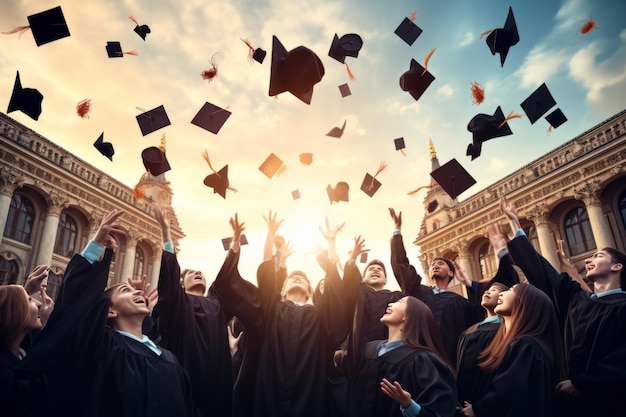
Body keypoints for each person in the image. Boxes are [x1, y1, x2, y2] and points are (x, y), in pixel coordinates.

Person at [20, 208, 198, 417]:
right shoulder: (97, 345)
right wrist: (95, 249)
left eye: (136, 291)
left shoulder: (169, 358)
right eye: (126, 290)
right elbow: (76, 305)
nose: (137, 292)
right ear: (109, 311)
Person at [213, 211, 356, 417]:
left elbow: (336, 290)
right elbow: (266, 272)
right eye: (292, 277)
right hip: (269, 392)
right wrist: (270, 235)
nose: (297, 278)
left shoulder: (320, 316)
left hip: (309, 396)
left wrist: (331, 243)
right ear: (282, 290)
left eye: (303, 278)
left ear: (310, 291)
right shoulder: (272, 310)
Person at [500, 195, 626, 417]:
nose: (589, 259)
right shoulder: (577, 299)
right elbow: (545, 273)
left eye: (599, 255)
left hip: (609, 403)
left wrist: (583, 383)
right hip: (564, 401)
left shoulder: (622, 306)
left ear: (617, 266)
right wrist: (515, 224)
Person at [152, 204, 233, 417]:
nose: (198, 272)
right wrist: (165, 232)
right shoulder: (178, 302)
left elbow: (226, 279)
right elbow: (168, 280)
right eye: (191, 273)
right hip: (183, 376)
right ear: (181, 283)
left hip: (218, 383)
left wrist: (234, 247)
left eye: (201, 273)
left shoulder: (217, 302)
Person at [389, 208, 481, 368]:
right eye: (433, 264)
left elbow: (477, 320)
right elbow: (401, 265)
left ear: (451, 273)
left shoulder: (461, 302)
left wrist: (468, 283)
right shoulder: (418, 292)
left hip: (449, 363)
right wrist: (397, 230)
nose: (435, 265)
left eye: (441, 263)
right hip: (416, 360)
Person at [459, 283, 565, 417]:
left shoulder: (526, 345)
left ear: (526, 302)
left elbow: (510, 390)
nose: (502, 293)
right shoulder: (522, 344)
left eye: (511, 290)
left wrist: (478, 409)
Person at [348, 295, 457, 417]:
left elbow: (440, 412)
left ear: (408, 316)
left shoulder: (423, 360)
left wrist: (409, 405)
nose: (390, 304)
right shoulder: (370, 350)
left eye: (399, 302)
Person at [456, 223, 518, 408]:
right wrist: (468, 283)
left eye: (496, 289)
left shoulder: (509, 329)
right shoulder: (470, 330)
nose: (488, 292)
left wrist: (501, 251)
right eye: (486, 290)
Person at [0, 285, 46, 416]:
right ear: (14, 312)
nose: (38, 303)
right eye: (30, 299)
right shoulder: (6, 373)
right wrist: (47, 326)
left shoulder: (23, 351)